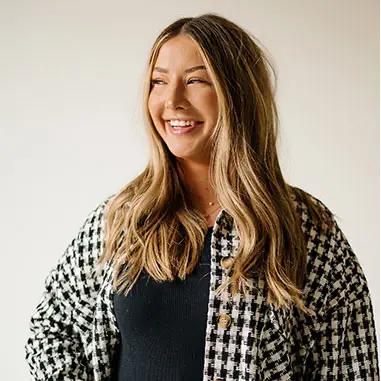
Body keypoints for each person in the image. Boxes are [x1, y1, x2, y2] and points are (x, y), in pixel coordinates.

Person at [25, 13, 379, 381]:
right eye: (158, 82)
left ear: (237, 93)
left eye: (195, 80)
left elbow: (351, 367)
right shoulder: (122, 219)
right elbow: (52, 328)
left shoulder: (305, 231)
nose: (172, 100)